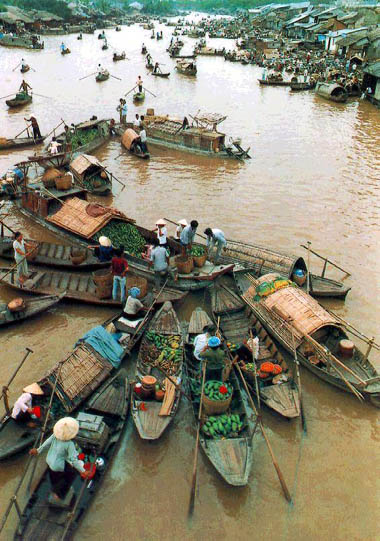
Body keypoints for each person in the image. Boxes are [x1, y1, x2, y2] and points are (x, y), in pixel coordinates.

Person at [29, 417, 90, 502]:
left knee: (54, 476)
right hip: (58, 465)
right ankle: (58, 494)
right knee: (71, 474)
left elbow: (46, 443)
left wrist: (38, 450)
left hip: (49, 461)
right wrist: (83, 471)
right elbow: (74, 460)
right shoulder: (69, 444)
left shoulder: (55, 435)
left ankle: (54, 487)